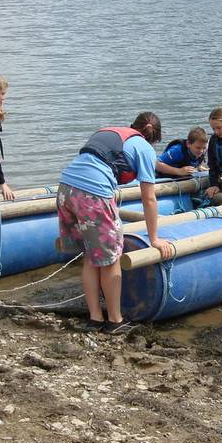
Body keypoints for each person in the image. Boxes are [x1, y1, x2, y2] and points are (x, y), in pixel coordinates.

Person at [57, 112, 174, 334]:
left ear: (133, 126)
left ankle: (94, 318)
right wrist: (155, 239)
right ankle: (115, 320)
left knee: (90, 257)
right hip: (92, 195)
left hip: (65, 189)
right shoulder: (145, 149)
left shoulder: (107, 131)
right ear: (154, 138)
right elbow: (149, 199)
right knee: (111, 260)